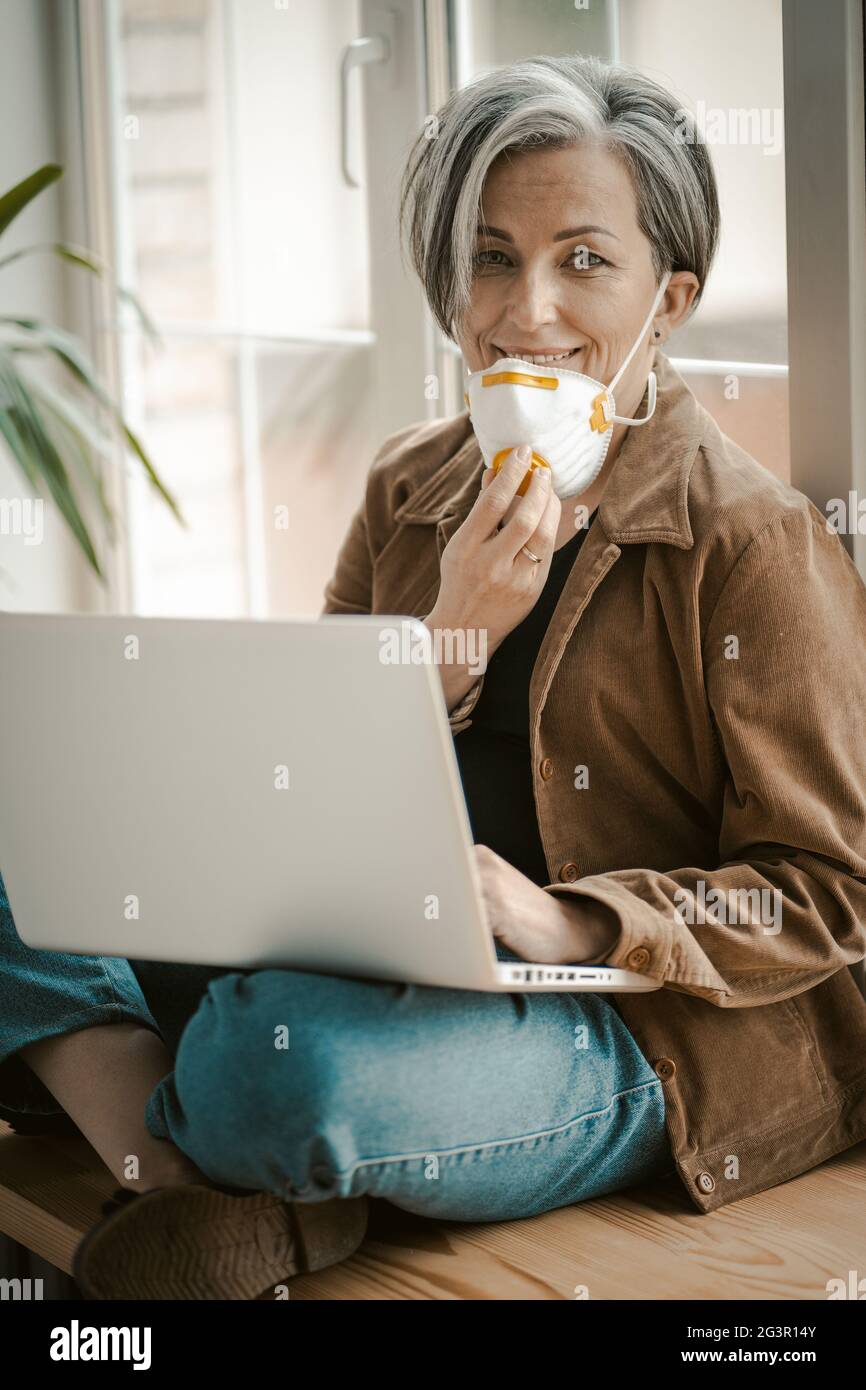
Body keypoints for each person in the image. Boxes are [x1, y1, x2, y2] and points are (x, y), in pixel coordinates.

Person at [2, 53, 865, 1301]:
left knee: (268, 1058)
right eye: (490, 259)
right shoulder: (406, 489)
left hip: (631, 1030)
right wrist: (452, 633)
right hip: (359, 963)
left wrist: (575, 920)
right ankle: (196, 1184)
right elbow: (296, 792)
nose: (525, 314)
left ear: (667, 299)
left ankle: (210, 1140)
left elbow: (830, 892)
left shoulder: (750, 542)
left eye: (584, 260)